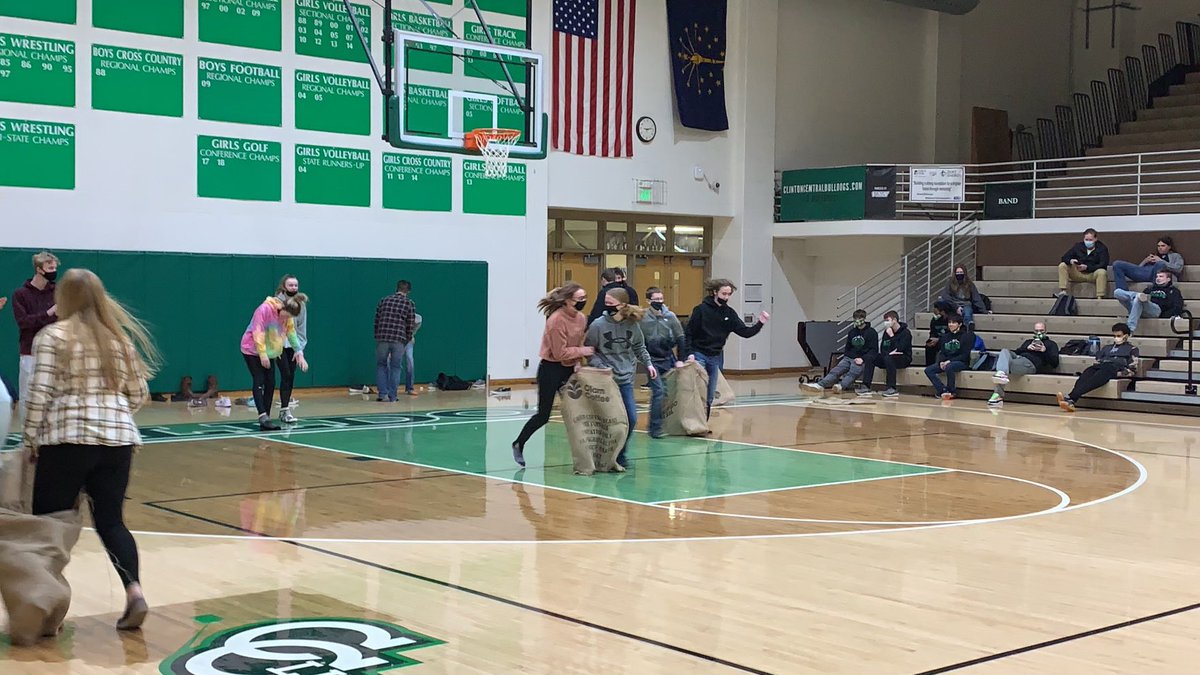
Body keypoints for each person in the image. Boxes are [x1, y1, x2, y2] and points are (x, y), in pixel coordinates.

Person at [22, 268, 159, 631]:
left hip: (66, 441)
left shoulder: (52, 336)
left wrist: (30, 439)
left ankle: (45, 613)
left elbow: (39, 394)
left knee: (50, 527)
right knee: (112, 521)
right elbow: (138, 394)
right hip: (118, 442)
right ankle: (134, 591)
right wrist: (112, 415)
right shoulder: (119, 340)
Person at [511, 283, 594, 467]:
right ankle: (519, 443)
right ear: (566, 301)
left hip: (569, 369)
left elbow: (578, 341)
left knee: (578, 412)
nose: (583, 301)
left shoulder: (581, 318)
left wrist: (579, 360)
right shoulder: (556, 321)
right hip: (551, 369)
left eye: (585, 297)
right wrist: (584, 351)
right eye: (579, 299)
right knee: (543, 415)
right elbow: (560, 353)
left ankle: (586, 455)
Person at [587, 288, 655, 468]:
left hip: (625, 379)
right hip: (606, 380)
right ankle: (601, 455)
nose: (607, 307)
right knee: (607, 420)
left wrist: (648, 364)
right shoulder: (597, 325)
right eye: (606, 303)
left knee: (631, 418)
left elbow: (640, 347)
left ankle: (620, 453)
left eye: (611, 304)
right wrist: (602, 368)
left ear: (623, 305)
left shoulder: (632, 324)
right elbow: (590, 352)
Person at [686, 278, 769, 415]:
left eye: (729, 294)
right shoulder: (700, 310)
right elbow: (689, 333)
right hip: (699, 353)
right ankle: (692, 421)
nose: (727, 297)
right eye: (724, 294)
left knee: (710, 395)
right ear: (714, 292)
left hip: (715, 356)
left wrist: (760, 323)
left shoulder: (729, 313)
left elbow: (745, 332)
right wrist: (689, 353)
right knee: (699, 390)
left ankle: (703, 424)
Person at [240, 293, 309, 431]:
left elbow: (291, 333)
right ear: (283, 308)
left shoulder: (287, 318)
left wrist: (299, 352)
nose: (286, 319)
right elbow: (257, 331)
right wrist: (262, 354)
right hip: (252, 349)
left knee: (270, 382)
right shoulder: (264, 309)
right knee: (259, 379)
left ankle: (267, 417)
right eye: (286, 315)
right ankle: (263, 416)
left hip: (270, 350)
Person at [12, 251, 60, 419]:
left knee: (55, 394)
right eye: (50, 267)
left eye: (55, 267)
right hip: (30, 352)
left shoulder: (57, 292)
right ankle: (28, 435)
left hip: (54, 351)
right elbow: (24, 322)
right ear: (39, 269)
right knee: (28, 395)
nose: (54, 270)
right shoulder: (20, 294)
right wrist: (48, 314)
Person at [1057, 323, 1139, 412]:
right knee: (1087, 373)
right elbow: (1098, 361)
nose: (1116, 338)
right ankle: (1071, 400)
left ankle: (1071, 397)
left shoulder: (1132, 349)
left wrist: (1118, 373)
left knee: (1096, 378)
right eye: (1114, 335)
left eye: (1119, 335)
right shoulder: (1107, 348)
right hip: (1101, 366)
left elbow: (1133, 369)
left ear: (1126, 336)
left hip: (1114, 368)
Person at [640, 287, 687, 438]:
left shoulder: (671, 317)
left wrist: (680, 359)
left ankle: (669, 422)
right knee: (658, 391)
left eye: (661, 299)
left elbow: (680, 337)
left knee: (669, 392)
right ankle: (655, 428)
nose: (659, 302)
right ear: (648, 301)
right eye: (656, 299)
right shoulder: (643, 318)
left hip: (667, 358)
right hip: (651, 360)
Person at [803, 309, 876, 394]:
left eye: (859, 318)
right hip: (849, 357)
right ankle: (820, 385)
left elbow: (873, 350)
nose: (857, 320)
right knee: (836, 371)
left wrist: (863, 359)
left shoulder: (872, 332)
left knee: (853, 372)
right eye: (855, 318)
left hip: (861, 359)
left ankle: (841, 386)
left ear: (864, 318)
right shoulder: (852, 332)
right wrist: (847, 357)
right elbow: (848, 347)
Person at [989, 322, 1059, 406]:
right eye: (1036, 331)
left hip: (1030, 364)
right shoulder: (1028, 342)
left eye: (1041, 330)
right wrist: (1026, 348)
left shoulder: (1051, 344)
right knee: (1004, 351)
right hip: (1019, 358)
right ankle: (1001, 375)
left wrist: (1045, 351)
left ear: (1046, 332)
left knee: (1005, 367)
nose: (1039, 333)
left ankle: (998, 393)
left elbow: (1055, 363)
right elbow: (1017, 352)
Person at [271, 275, 307, 423]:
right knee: (284, 373)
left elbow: (301, 327)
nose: (293, 287)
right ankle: (267, 412)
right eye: (290, 285)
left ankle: (285, 410)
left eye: (295, 285)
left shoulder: (301, 304)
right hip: (278, 345)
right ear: (284, 286)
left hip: (293, 344)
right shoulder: (276, 302)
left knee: (290, 376)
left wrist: (300, 349)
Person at [373, 280, 418, 401]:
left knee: (381, 365)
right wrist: (407, 340)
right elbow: (410, 325)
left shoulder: (384, 300)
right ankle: (393, 396)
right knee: (396, 367)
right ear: (408, 291)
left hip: (382, 337)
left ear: (397, 288)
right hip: (398, 339)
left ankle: (382, 394)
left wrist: (377, 335)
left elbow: (377, 319)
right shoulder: (409, 303)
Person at [858, 310, 911, 398]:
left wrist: (892, 337)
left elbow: (900, 348)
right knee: (871, 357)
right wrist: (886, 353)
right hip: (888, 356)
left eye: (888, 320)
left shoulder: (905, 333)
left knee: (889, 358)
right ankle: (866, 385)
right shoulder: (886, 332)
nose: (886, 323)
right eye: (885, 320)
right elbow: (883, 347)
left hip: (903, 357)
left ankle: (891, 387)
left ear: (894, 320)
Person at [1113, 269, 1185, 334]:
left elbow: (1178, 305)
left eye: (1161, 276)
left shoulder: (1173, 291)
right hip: (1140, 308)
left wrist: (1164, 315)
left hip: (1156, 310)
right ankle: (1135, 295)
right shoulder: (1149, 289)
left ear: (1168, 279)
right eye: (1157, 276)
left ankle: (1130, 329)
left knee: (1139, 299)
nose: (1158, 278)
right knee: (1117, 292)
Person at [924, 314, 973, 400]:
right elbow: (942, 352)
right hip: (947, 361)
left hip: (961, 362)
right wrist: (941, 361)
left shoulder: (966, 336)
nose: (950, 324)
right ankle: (943, 390)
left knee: (949, 367)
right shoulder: (945, 337)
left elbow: (964, 355)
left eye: (953, 323)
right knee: (928, 370)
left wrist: (949, 361)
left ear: (960, 324)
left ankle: (952, 391)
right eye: (949, 322)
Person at [1112, 236, 1185, 291]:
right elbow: (1139, 269)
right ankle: (1122, 292)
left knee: (1160, 264)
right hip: (1144, 273)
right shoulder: (1154, 254)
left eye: (1163, 246)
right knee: (1117, 264)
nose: (1160, 248)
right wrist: (1145, 261)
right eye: (1158, 246)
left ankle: (1155, 289)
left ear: (1169, 247)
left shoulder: (1175, 256)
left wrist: (1161, 261)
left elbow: (1178, 269)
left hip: (1157, 274)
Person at [1057, 228, 1110, 298]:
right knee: (1062, 265)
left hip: (1093, 274)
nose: (1088, 242)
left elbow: (1103, 264)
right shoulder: (1078, 246)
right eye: (1086, 240)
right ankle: (1063, 291)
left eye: (1090, 240)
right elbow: (1064, 257)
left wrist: (1087, 267)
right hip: (1078, 273)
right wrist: (1071, 261)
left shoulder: (1102, 249)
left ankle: (1100, 296)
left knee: (1102, 272)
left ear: (1095, 239)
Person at [925, 299, 955, 366]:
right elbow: (932, 332)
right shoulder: (935, 320)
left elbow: (952, 335)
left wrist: (939, 339)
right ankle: (929, 366)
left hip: (949, 341)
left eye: (935, 307)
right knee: (929, 346)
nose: (934, 309)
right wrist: (932, 340)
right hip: (937, 340)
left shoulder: (952, 320)